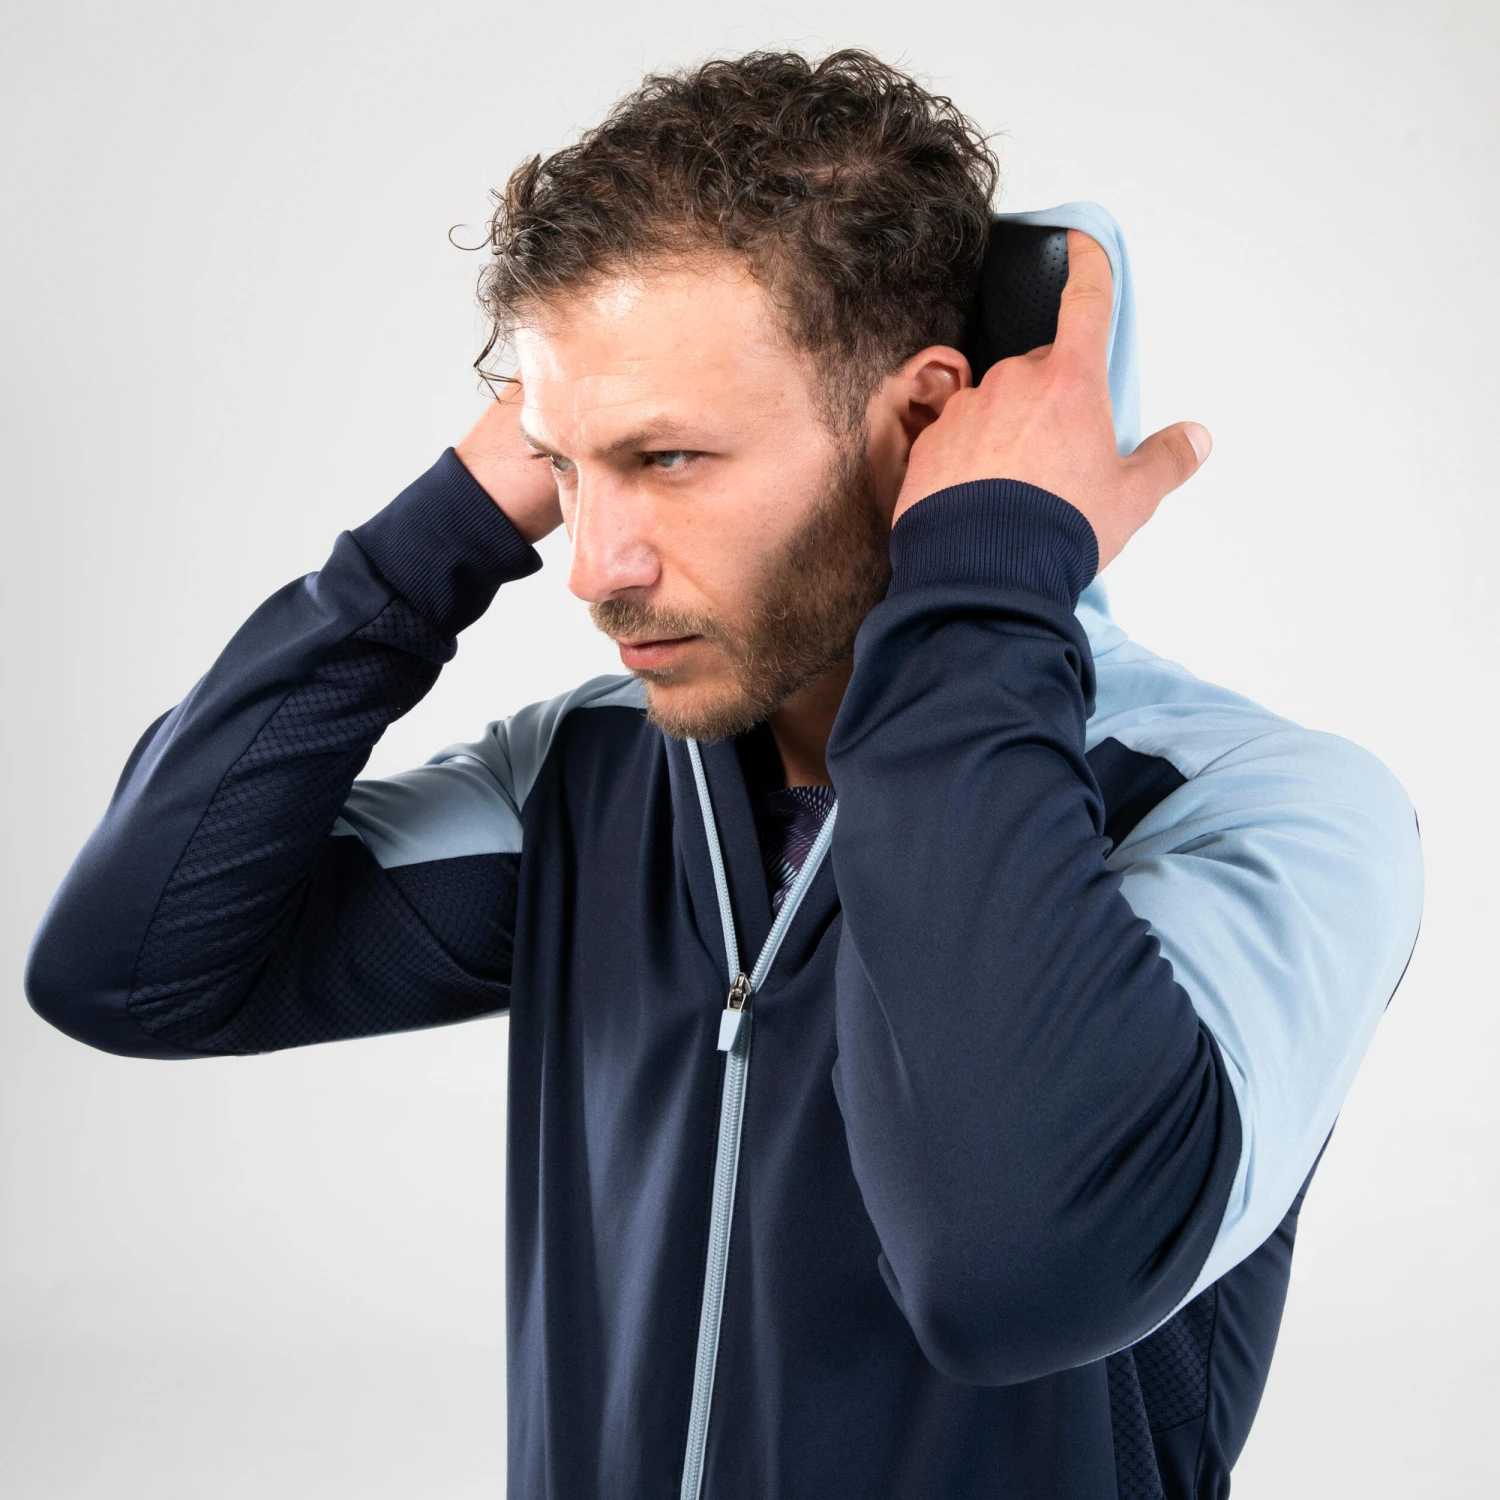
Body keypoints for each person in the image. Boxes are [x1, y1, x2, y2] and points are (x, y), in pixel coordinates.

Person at [25, 49, 1422, 1500]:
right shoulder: (587, 774)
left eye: (670, 457)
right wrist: (440, 535)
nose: (590, 566)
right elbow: (132, 971)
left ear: (926, 425)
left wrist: (985, 575)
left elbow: (1015, 1272)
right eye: (563, 467)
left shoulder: (1265, 816)